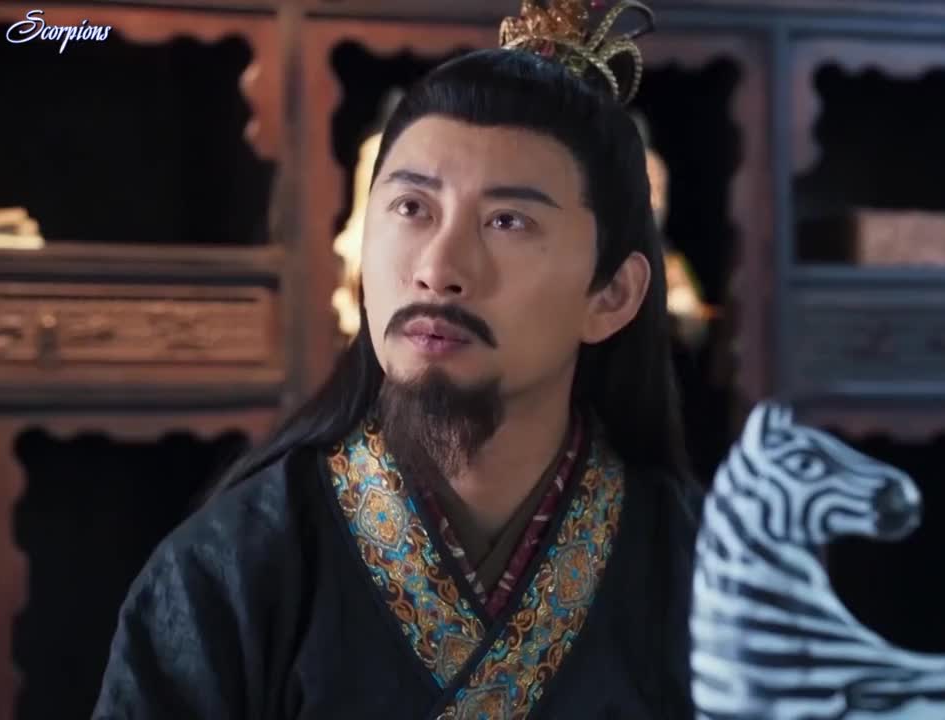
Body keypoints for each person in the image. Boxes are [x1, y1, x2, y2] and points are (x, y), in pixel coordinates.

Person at [91, 1, 702, 717]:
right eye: (413, 208)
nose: (438, 269)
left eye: (508, 221)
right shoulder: (230, 569)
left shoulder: (703, 571)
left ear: (612, 295)